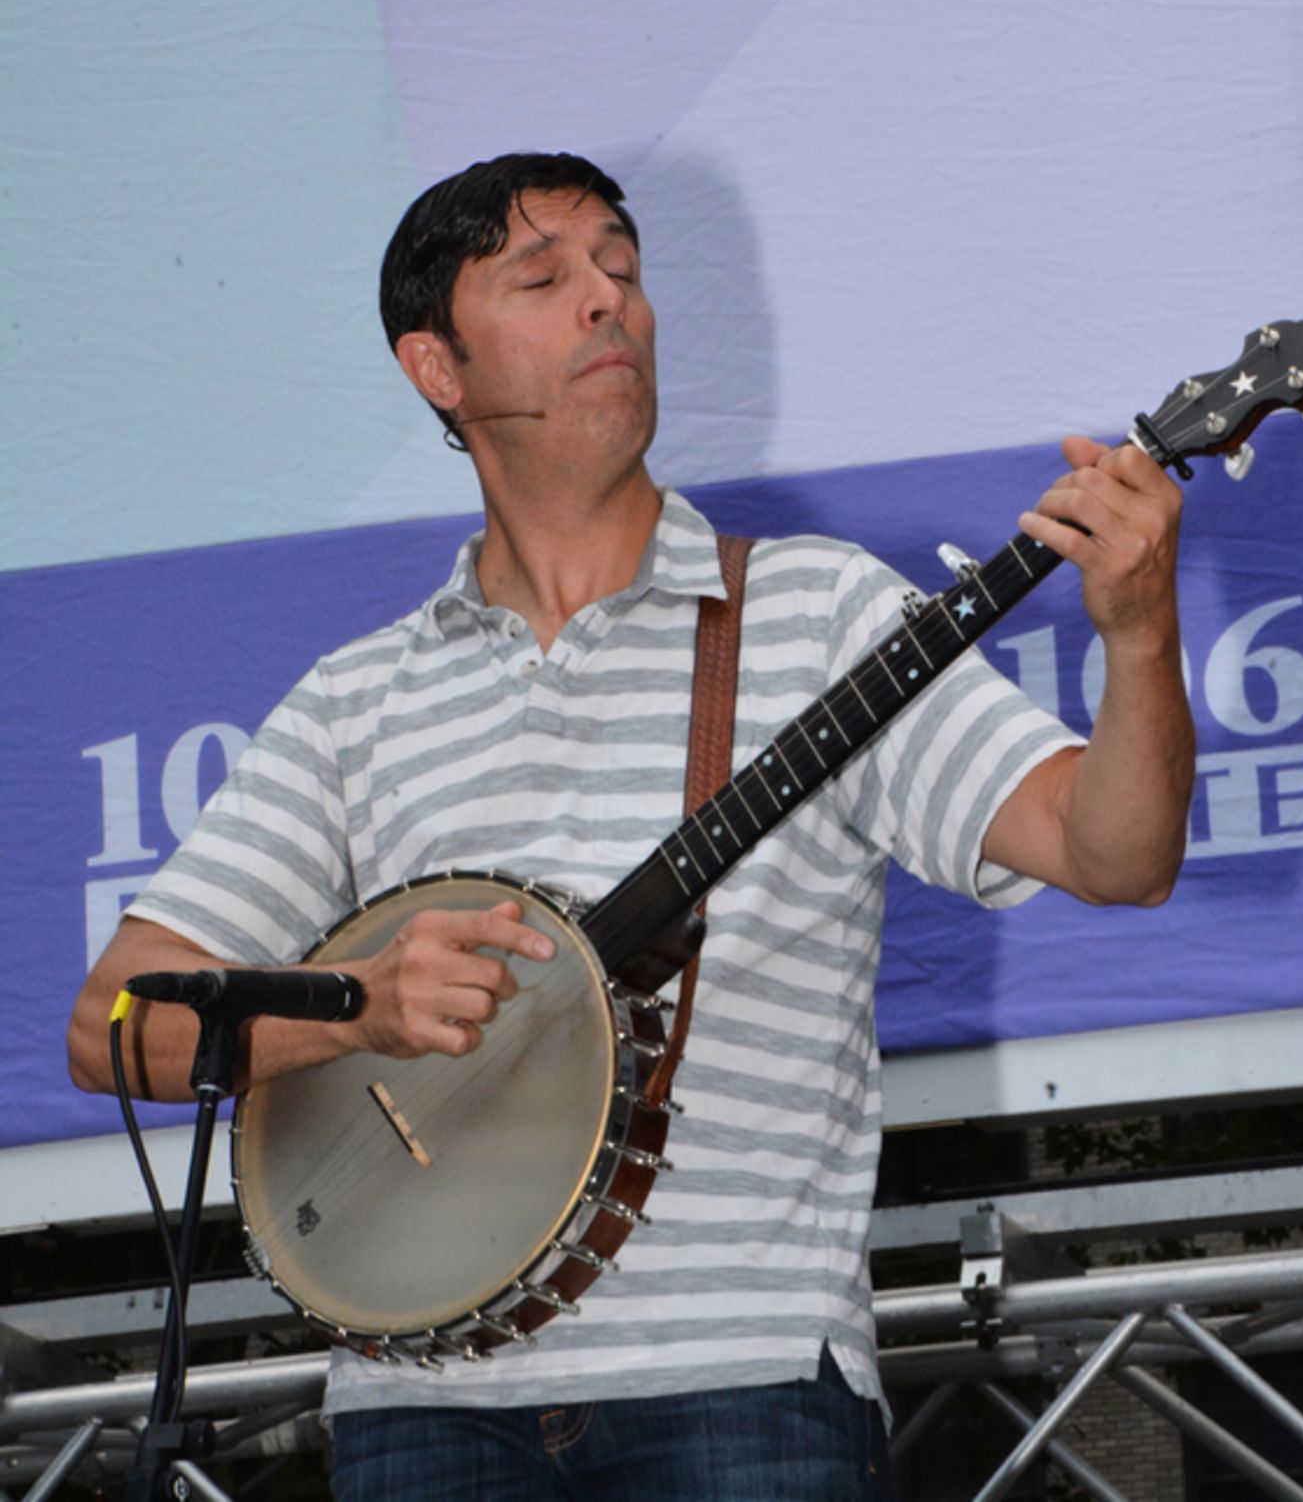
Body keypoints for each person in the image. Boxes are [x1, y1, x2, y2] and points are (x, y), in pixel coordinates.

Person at [68, 151, 1194, 1500]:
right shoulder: (358, 701)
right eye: (543, 278)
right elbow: (115, 1024)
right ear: (437, 368)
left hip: (743, 1389)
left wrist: (1140, 634)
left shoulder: (822, 614)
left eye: (622, 268)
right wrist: (359, 1009)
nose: (608, 300)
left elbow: (1116, 852)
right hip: (419, 1412)